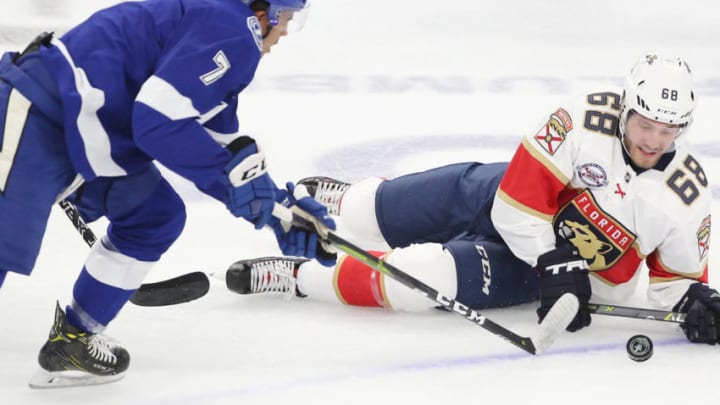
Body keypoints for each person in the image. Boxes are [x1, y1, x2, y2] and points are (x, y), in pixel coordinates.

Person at [224, 53, 720, 346]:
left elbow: (670, 286)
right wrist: (555, 262)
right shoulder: (580, 118)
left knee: (420, 280)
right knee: (374, 210)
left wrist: (696, 308)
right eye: (645, 124)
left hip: (537, 267)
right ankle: (347, 201)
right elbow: (515, 206)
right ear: (625, 108)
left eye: (668, 130)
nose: (654, 141)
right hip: (503, 199)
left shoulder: (687, 194)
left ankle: (302, 277)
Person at [0, 0, 335, 387]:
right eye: (286, 18)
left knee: (153, 215)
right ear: (265, 12)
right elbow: (157, 122)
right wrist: (240, 188)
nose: (286, 31)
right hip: (36, 116)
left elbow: (225, 149)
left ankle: (73, 340)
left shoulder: (216, 22)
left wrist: (280, 210)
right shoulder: (234, 28)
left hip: (84, 131)